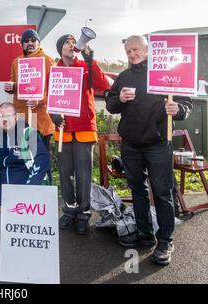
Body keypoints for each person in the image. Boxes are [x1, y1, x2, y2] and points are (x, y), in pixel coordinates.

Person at [106, 35, 192, 266]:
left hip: (157, 143)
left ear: (147, 49)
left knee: (162, 193)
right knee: (137, 190)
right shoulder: (124, 76)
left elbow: (186, 104)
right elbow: (110, 103)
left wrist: (179, 109)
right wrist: (120, 98)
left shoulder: (165, 72)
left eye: (135, 50)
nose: (132, 54)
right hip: (131, 144)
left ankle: (165, 241)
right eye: (128, 52)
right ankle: (145, 234)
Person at [50, 34, 110, 235]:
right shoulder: (54, 71)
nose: (72, 45)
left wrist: (91, 60)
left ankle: (83, 213)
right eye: (67, 42)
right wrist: (54, 116)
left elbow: (103, 85)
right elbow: (49, 98)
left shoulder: (85, 67)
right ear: (61, 49)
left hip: (84, 128)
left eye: (74, 42)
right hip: (63, 130)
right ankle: (69, 211)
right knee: (65, 175)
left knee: (84, 175)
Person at [0, 102, 51, 233]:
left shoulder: (28, 135)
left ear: (15, 117)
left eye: (8, 115)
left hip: (29, 192)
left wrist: (29, 191)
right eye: (1, 116)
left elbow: (43, 161)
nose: (5, 119)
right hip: (5, 195)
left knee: (31, 228)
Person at [4, 29, 56, 151]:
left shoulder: (47, 60)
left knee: (41, 157)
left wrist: (40, 100)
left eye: (33, 40)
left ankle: (44, 171)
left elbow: (54, 91)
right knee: (25, 156)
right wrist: (11, 88)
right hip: (23, 117)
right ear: (22, 44)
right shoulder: (16, 62)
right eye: (26, 41)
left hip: (41, 119)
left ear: (39, 43)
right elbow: (14, 84)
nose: (30, 43)